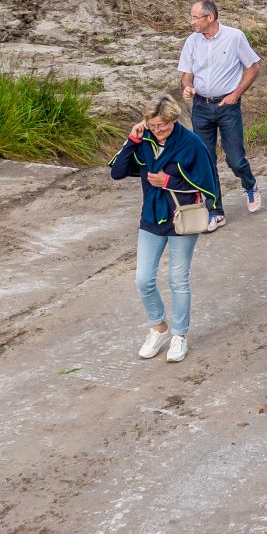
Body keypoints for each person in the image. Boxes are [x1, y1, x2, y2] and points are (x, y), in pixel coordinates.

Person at [109, 96, 218, 364]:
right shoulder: (144, 139)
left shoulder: (191, 142)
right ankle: (159, 328)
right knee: (143, 279)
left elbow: (209, 183)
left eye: (163, 126)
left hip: (182, 219)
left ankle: (180, 335)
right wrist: (132, 140)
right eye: (152, 125)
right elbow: (117, 172)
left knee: (177, 279)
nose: (158, 131)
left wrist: (169, 180)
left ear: (173, 120)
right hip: (151, 217)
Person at [177, 0, 260, 225]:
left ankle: (249, 183)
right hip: (201, 107)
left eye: (195, 17)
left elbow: (253, 67)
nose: (191, 22)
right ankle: (215, 211)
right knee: (206, 160)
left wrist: (236, 94)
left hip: (228, 106)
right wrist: (187, 87)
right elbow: (186, 74)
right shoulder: (191, 42)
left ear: (209, 18)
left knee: (235, 158)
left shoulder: (235, 37)